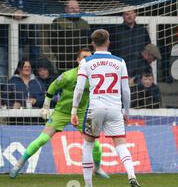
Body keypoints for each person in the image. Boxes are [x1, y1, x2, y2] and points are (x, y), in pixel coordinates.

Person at [9, 49, 110, 179]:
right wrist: (46, 106)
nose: (87, 60)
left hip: (81, 114)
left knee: (95, 144)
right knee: (42, 139)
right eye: (84, 57)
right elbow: (52, 87)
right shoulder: (68, 76)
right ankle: (18, 165)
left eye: (89, 57)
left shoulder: (94, 78)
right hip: (61, 112)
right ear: (78, 60)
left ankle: (97, 169)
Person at [71, 29, 143, 187]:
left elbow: (80, 88)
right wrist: (127, 112)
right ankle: (132, 176)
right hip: (115, 108)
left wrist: (74, 110)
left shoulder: (86, 62)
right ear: (108, 41)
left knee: (88, 144)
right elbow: (126, 90)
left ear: (92, 43)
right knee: (120, 145)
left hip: (95, 108)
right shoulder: (119, 62)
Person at [48, 0, 91, 72]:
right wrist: (61, 56)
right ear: (66, 9)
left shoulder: (85, 23)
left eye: (76, 8)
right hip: (64, 63)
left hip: (82, 63)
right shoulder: (58, 22)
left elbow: (90, 41)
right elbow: (51, 42)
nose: (74, 10)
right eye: (71, 8)